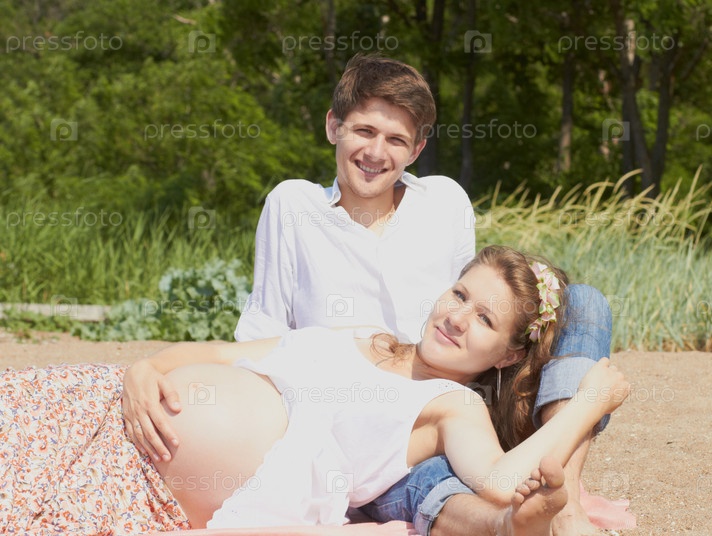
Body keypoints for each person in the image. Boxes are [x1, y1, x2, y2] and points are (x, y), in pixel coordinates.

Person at [126, 55, 614, 536]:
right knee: (428, 479)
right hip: (353, 410)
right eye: (363, 131)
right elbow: (263, 333)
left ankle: (565, 499)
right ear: (333, 126)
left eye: (396, 139)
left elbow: (473, 301)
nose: (376, 152)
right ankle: (500, 521)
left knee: (584, 302)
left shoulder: (444, 203)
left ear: (417, 149)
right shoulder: (293, 205)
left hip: (437, 399)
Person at [123, 245, 628, 535]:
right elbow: (219, 353)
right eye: (459, 294)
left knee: (586, 302)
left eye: (484, 319)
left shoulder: (454, 405)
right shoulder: (363, 334)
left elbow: (498, 481)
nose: (456, 318)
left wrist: (588, 404)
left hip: (142, 485)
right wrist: (147, 368)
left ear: (507, 357)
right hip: (123, 415)